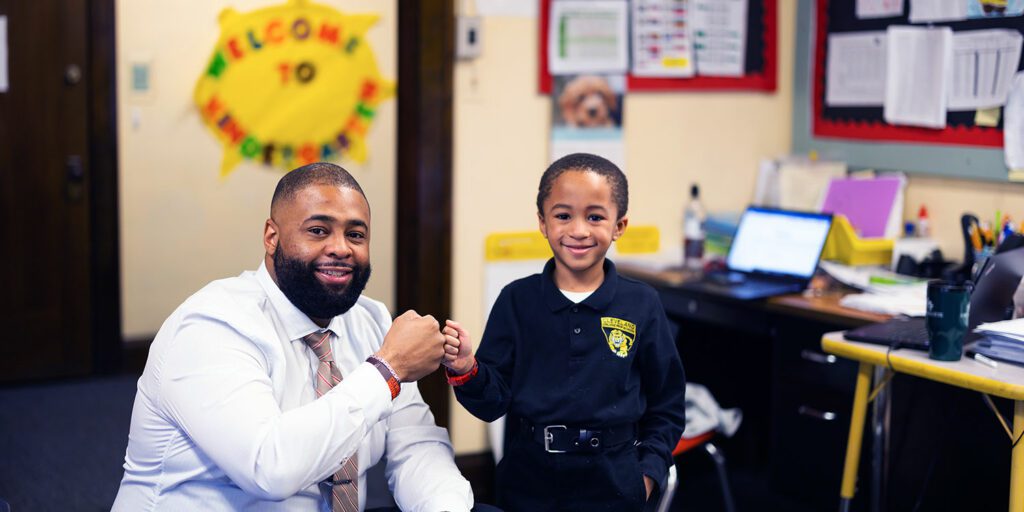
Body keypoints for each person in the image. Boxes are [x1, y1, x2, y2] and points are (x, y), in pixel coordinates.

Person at [113, 162, 474, 511]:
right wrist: (386, 371)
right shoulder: (210, 326)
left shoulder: (373, 320)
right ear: (272, 237)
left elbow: (417, 447)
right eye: (318, 230)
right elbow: (269, 468)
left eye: (356, 234)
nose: (341, 248)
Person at [442, 153, 687, 511]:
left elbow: (667, 403)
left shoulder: (642, 303)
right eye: (563, 215)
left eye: (595, 216)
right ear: (543, 223)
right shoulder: (517, 300)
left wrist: (648, 473)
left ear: (619, 225)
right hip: (529, 482)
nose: (578, 230)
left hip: (615, 485)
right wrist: (467, 369)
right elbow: (492, 403)